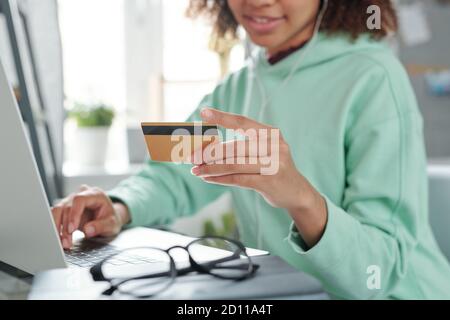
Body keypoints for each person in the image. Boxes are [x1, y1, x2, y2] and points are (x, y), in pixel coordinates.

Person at [52, 0, 450, 299]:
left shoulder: (374, 76)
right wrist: (118, 206)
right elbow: (172, 175)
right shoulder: (239, 86)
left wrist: (303, 199)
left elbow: (376, 274)